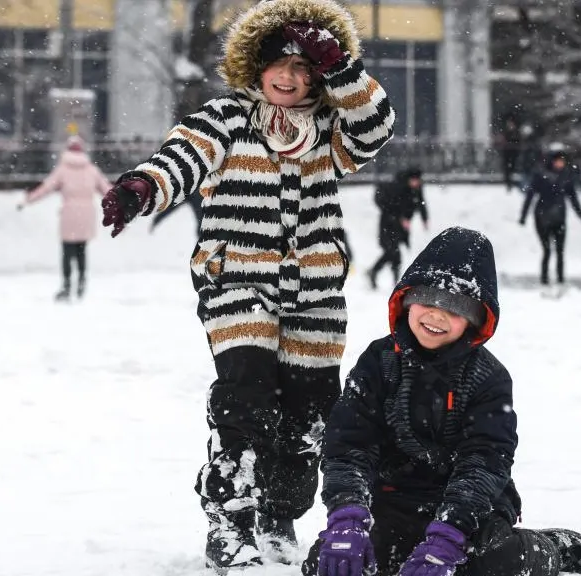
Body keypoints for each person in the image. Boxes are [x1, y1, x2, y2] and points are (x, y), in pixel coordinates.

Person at [98, 0, 395, 572]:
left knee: (310, 413)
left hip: (313, 289)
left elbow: (377, 127)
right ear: (255, 67)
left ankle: (279, 511)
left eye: (305, 68)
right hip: (236, 280)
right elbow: (184, 155)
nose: (289, 77)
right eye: (279, 65)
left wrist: (343, 69)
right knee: (246, 397)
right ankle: (230, 523)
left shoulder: (332, 130)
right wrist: (141, 187)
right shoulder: (228, 117)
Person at [302, 227, 581, 576]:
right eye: (427, 301)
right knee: (333, 562)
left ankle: (549, 549)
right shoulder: (378, 362)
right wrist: (346, 519)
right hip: (393, 498)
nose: (437, 316)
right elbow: (349, 443)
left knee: (486, 565)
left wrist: (448, 537)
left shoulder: (488, 378)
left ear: (476, 318)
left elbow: (485, 460)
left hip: (470, 509)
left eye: (455, 308)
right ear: (408, 300)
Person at [18, 135, 112, 301]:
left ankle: (67, 286)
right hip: (86, 215)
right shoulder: (91, 170)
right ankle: (82, 282)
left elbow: (46, 188)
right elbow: (107, 190)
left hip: (69, 215)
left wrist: (28, 199)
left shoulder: (62, 169)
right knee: (82, 250)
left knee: (67, 252)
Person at [519, 150, 581, 286]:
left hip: (559, 219)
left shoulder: (565, 177)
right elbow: (530, 196)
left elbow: (573, 198)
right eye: (558, 161)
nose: (560, 164)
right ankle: (544, 279)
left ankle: (560, 279)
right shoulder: (541, 176)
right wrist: (523, 216)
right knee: (546, 250)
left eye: (562, 161)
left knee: (560, 251)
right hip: (542, 218)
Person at [367, 168, 427, 290]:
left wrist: (424, 219)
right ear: (409, 179)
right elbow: (391, 205)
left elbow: (420, 203)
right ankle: (375, 273)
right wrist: (401, 217)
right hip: (388, 224)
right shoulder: (398, 187)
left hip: (399, 227)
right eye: (414, 181)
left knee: (394, 253)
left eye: (418, 181)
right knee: (392, 252)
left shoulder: (415, 188)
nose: (416, 183)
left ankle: (385, 277)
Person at [497, 118, 522, 191]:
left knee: (511, 168)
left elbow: (518, 142)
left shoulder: (516, 133)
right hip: (507, 153)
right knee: (507, 169)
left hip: (513, 153)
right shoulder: (506, 132)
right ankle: (509, 184)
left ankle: (511, 183)